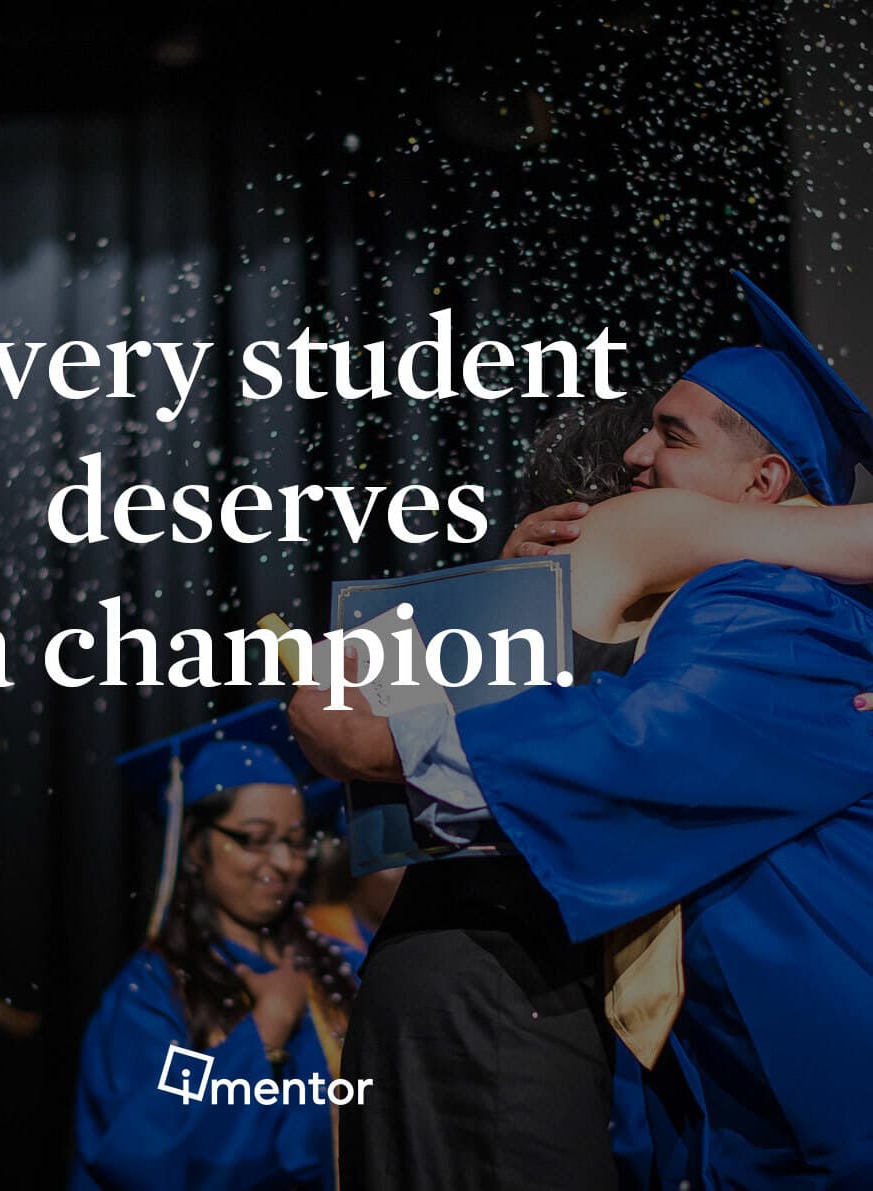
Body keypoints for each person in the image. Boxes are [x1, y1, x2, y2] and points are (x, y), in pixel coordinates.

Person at [290, 271, 873, 1187]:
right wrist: (510, 611)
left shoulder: (773, 600)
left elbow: (641, 740)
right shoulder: (696, 606)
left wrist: (375, 742)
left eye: (670, 435)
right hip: (740, 1094)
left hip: (817, 1080)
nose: (638, 454)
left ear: (763, 482)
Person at [70, 700, 363, 1191]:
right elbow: (151, 1155)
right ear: (194, 844)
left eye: (295, 841)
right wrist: (266, 1030)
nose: (284, 862)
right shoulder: (153, 994)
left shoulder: (341, 966)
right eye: (255, 839)